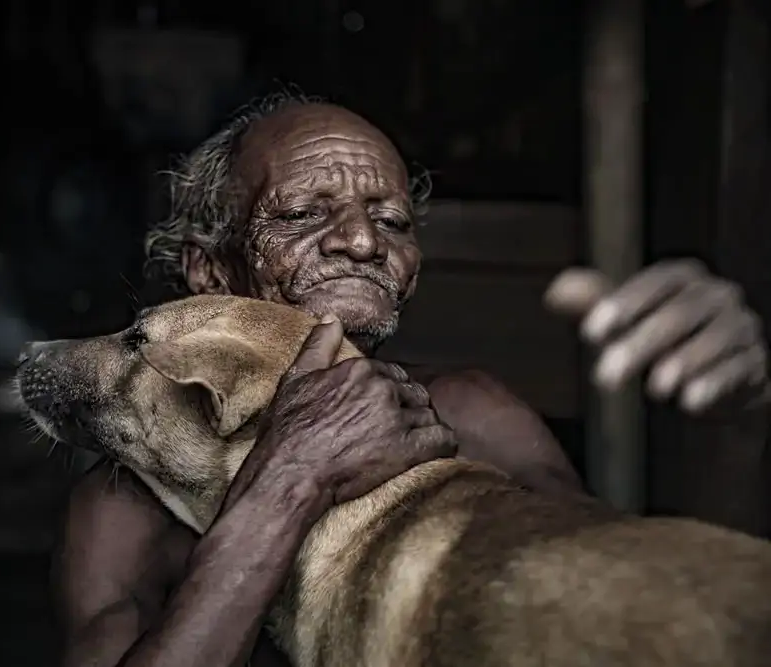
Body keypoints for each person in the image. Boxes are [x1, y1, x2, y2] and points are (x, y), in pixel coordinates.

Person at [52, 95, 770, 667]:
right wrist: (292, 474)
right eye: (303, 213)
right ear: (211, 272)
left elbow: (635, 607)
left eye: (391, 219)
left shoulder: (467, 413)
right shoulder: (127, 508)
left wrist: (741, 412)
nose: (364, 241)